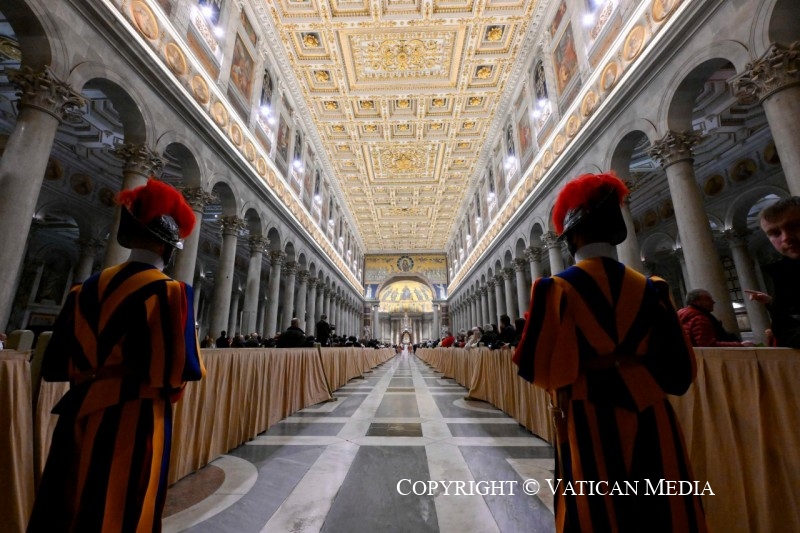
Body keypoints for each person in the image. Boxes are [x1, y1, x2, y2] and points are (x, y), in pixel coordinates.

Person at [513, 172, 706, 532]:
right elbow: (681, 368)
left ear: (571, 237)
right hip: (651, 407)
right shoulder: (653, 288)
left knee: (596, 502)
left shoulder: (556, 288)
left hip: (590, 409)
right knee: (661, 498)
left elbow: (534, 366)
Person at [28, 178, 205, 532]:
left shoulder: (83, 289)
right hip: (134, 417)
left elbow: (55, 364)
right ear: (168, 248)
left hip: (78, 410)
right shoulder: (170, 293)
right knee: (123, 505)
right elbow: (179, 372)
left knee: (66, 500)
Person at [746, 196, 800, 347]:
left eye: (795, 226)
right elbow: (783, 330)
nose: (786, 238)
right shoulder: (785, 274)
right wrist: (773, 303)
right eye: (775, 233)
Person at [678, 289, 754, 347]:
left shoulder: (684, 315)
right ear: (696, 302)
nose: (713, 302)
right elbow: (707, 345)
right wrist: (740, 345)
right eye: (708, 299)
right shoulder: (699, 318)